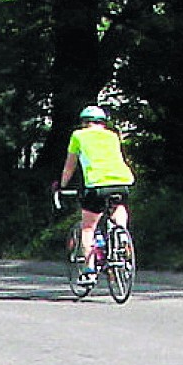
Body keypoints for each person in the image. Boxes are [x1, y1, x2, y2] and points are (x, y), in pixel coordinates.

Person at [56, 105, 135, 284]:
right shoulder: (113, 135)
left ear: (84, 122)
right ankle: (121, 234)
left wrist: (62, 185)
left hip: (96, 183)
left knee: (88, 227)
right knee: (118, 207)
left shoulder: (78, 135)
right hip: (122, 181)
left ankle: (89, 270)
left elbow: (70, 165)